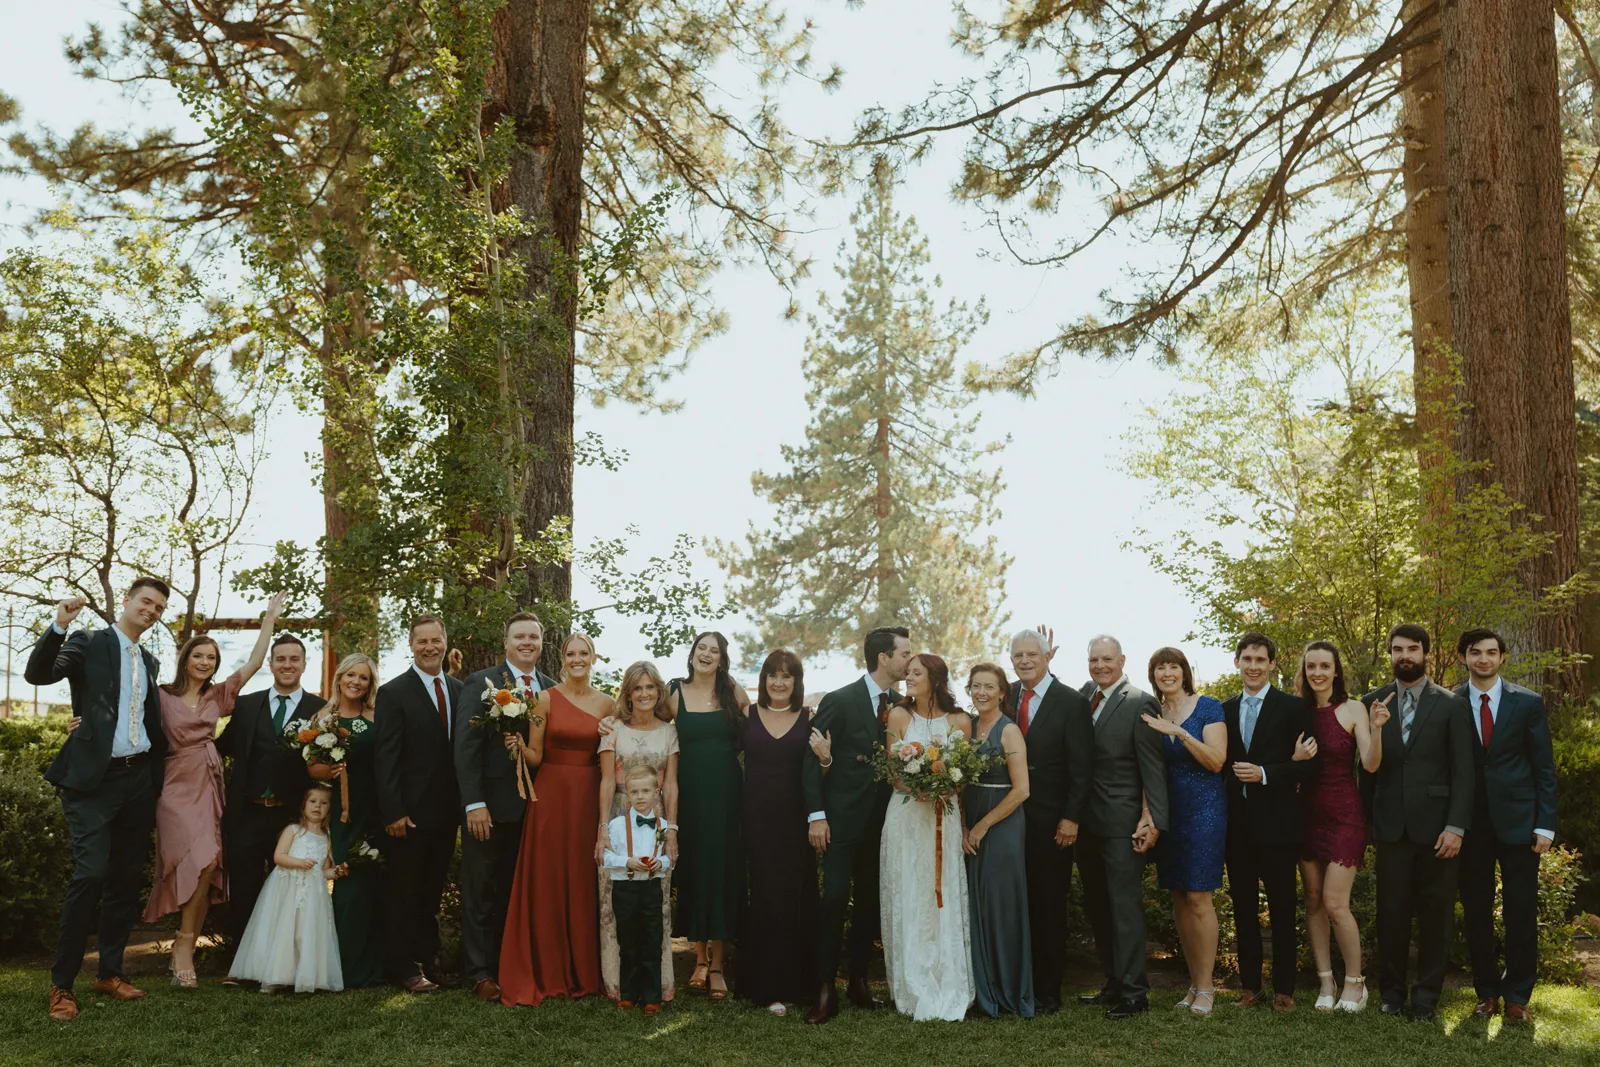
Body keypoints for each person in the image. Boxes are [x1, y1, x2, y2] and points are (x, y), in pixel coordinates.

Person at [28, 579, 172, 1022]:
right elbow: (39, 674)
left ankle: (109, 972)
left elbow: (147, 719)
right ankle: (61, 985)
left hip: (137, 782)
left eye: (160, 606)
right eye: (146, 601)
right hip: (92, 783)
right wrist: (58, 624)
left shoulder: (150, 660)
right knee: (90, 875)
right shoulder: (87, 641)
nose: (152, 610)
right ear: (127, 601)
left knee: (126, 881)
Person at [143, 593, 289, 987]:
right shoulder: (160, 696)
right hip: (174, 788)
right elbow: (125, 714)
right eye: (199, 656)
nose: (205, 662)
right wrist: (84, 720)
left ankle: (184, 945)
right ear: (185, 659)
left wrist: (269, 619)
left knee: (208, 862)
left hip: (209, 785)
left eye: (211, 658)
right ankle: (183, 941)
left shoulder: (218, 696)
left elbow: (255, 662)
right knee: (189, 861)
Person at [1361, 623, 1475, 1022]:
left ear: (1426, 653)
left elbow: (1465, 771)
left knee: (1436, 917)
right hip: (1390, 828)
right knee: (1390, 915)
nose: (1404, 655)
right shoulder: (1372, 702)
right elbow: (1367, 773)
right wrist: (1365, 827)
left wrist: (1457, 826)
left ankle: (1426, 999)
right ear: (1389, 653)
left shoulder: (1451, 704)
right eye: (1397, 649)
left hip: (1438, 830)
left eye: (1412, 648)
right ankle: (1391, 994)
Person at [803, 625, 911, 1023]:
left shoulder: (903, 704)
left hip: (885, 823)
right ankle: (825, 987)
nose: (909, 660)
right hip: (840, 823)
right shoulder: (841, 699)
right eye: (904, 654)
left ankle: (860, 980)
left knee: (870, 902)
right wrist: (817, 815)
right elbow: (812, 758)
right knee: (832, 900)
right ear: (884, 658)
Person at [499, 632, 610, 1007]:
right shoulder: (544, 698)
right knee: (547, 881)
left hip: (588, 798)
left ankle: (584, 969)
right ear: (561, 659)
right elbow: (535, 756)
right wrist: (518, 748)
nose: (577, 659)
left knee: (581, 879)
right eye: (571, 653)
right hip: (549, 797)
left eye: (584, 653)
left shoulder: (608, 705)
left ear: (594, 658)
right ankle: (547, 969)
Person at [1454, 628, 1559, 1024]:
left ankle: (1517, 996)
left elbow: (1543, 767)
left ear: (1502, 657)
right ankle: (1486, 993)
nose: (1483, 659)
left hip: (1519, 824)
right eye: (1475, 653)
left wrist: (1545, 824)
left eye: (1491, 652)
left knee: (1520, 912)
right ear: (1463, 656)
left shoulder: (1527, 703)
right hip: (1471, 825)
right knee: (1476, 911)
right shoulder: (1450, 702)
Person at [455, 612, 559, 1001]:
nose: (527, 642)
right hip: (490, 808)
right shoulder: (481, 684)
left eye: (533, 636)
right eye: (519, 637)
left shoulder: (551, 689)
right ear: (506, 642)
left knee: (516, 893)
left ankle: (509, 966)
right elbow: (465, 749)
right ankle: (479, 972)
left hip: (536, 812)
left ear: (542, 642)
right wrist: (474, 803)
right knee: (481, 889)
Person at [217, 631, 324, 979]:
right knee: (245, 891)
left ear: (304, 664)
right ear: (271, 664)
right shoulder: (247, 705)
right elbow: (219, 747)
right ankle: (241, 966)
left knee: (290, 892)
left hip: (290, 817)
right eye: (281, 659)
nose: (287, 665)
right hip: (247, 812)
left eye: (294, 659)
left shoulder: (319, 709)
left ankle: (286, 966)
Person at [1221, 632, 1318, 1012]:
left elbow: (1310, 769)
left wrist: (1265, 773)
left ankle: (1284, 990)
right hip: (1237, 826)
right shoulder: (1224, 710)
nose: (1253, 666)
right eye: (1247, 659)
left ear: (1273, 664)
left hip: (1279, 825)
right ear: (1237, 663)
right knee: (1243, 907)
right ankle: (1250, 987)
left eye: (1261, 660)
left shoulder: (1293, 709)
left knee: (1281, 908)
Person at [1076, 634, 1168, 1019]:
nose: (1100, 666)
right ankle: (1113, 982)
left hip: (1122, 822)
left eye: (1107, 660)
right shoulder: (1084, 695)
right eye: (1094, 660)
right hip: (1085, 823)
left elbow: (1152, 766)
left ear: (1122, 660)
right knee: (1097, 906)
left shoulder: (1139, 701)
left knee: (1124, 907)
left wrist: (1154, 820)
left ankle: (1135, 993)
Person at [880, 653, 975, 1021]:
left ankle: (945, 977)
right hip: (906, 813)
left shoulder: (960, 721)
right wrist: (916, 786)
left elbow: (963, 776)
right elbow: (892, 770)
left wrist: (944, 786)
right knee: (909, 890)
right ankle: (910, 984)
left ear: (935, 678)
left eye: (916, 674)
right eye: (908, 674)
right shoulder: (899, 716)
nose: (908, 679)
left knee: (941, 894)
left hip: (943, 816)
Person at [375, 613, 464, 993]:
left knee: (431, 892)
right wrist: (393, 810)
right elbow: (386, 757)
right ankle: (402, 966)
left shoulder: (461, 690)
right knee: (404, 892)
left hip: (447, 815)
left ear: (445, 642)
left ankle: (430, 961)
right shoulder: (394, 692)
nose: (430, 647)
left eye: (435, 640)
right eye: (421, 641)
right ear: (410, 645)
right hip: (408, 815)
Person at [1006, 626, 1093, 1013]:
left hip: (1051, 823)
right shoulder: (1003, 694)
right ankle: (1012, 983)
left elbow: (1082, 767)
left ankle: (1048, 991)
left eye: (1032, 655)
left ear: (1047, 658)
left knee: (1047, 906)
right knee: (1011, 903)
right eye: (1018, 655)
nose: (1025, 661)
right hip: (1006, 819)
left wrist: (1071, 818)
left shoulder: (1071, 702)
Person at [1141, 647, 1227, 1015]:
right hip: (1168, 813)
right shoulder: (1151, 713)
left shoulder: (1208, 707)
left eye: (1173, 666)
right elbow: (1147, 769)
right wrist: (1148, 813)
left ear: (1184, 671)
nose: (1167, 672)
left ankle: (1208, 988)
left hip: (1205, 809)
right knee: (1178, 897)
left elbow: (1217, 761)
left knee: (1199, 898)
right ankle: (1193, 984)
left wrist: (1179, 733)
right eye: (1160, 668)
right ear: (1153, 676)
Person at [1299, 640, 1384, 1012]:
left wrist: (1378, 729)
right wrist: (1293, 757)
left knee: (1336, 903)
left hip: (1345, 816)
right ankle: (1326, 982)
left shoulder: (1353, 708)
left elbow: (1370, 763)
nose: (1317, 672)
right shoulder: (1296, 711)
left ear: (1336, 670)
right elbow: (1286, 765)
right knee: (1313, 900)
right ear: (1304, 671)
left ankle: (1355, 982)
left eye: (1324, 666)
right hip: (1304, 816)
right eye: (1311, 666)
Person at [668, 631, 748, 1001]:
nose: (706, 654)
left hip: (727, 796)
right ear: (692, 654)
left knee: (723, 872)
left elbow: (760, 736)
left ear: (721, 659)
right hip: (689, 797)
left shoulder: (735, 694)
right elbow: (645, 725)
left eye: (714, 650)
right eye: (701, 648)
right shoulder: (674, 692)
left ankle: (718, 965)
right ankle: (698, 961)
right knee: (696, 871)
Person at [595, 660, 679, 1004]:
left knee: (655, 903)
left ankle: (656, 986)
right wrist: (602, 829)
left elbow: (671, 784)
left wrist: (671, 828)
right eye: (637, 688)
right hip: (618, 817)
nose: (644, 694)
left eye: (650, 687)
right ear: (628, 695)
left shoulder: (669, 731)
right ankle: (618, 984)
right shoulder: (612, 728)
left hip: (657, 820)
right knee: (615, 904)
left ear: (658, 691)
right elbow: (604, 781)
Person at [739, 649, 817, 1015]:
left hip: (796, 821)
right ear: (764, 680)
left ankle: (799, 986)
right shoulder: (747, 716)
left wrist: (828, 757)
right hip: (755, 820)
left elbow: (820, 774)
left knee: (795, 900)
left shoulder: (808, 718)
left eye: (787, 676)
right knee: (765, 898)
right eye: (773, 675)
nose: (780, 682)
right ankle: (764, 986)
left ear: (796, 682)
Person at [963, 662, 1033, 1018]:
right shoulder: (966, 727)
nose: (982, 692)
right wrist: (963, 826)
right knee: (973, 905)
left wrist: (982, 826)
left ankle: (1007, 992)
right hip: (970, 819)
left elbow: (1022, 790)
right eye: (976, 686)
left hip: (1001, 822)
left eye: (989, 686)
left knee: (999, 904)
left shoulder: (1009, 732)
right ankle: (980, 990)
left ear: (1002, 692)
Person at [226, 782, 343, 993]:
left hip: (311, 897)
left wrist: (337, 872)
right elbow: (278, 857)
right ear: (303, 805)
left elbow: (324, 871)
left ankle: (302, 976)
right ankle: (273, 977)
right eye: (313, 801)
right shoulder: (293, 831)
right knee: (282, 932)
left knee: (302, 935)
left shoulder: (327, 838)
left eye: (324, 803)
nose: (317, 806)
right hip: (286, 890)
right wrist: (299, 863)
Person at [314, 653, 385, 987]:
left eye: (364, 678)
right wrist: (331, 770)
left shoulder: (377, 714)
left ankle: (377, 966)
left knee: (378, 883)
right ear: (339, 678)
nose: (356, 682)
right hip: (345, 808)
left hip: (380, 806)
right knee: (349, 882)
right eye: (351, 676)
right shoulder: (324, 717)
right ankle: (345, 966)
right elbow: (312, 768)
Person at [602, 764, 677, 1015]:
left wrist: (661, 863)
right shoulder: (616, 825)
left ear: (657, 792)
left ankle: (652, 997)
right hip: (624, 889)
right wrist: (627, 862)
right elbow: (605, 857)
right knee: (629, 941)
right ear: (628, 795)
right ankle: (628, 994)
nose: (641, 796)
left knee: (652, 942)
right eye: (635, 792)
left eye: (646, 791)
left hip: (650, 889)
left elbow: (671, 860)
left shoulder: (665, 826)